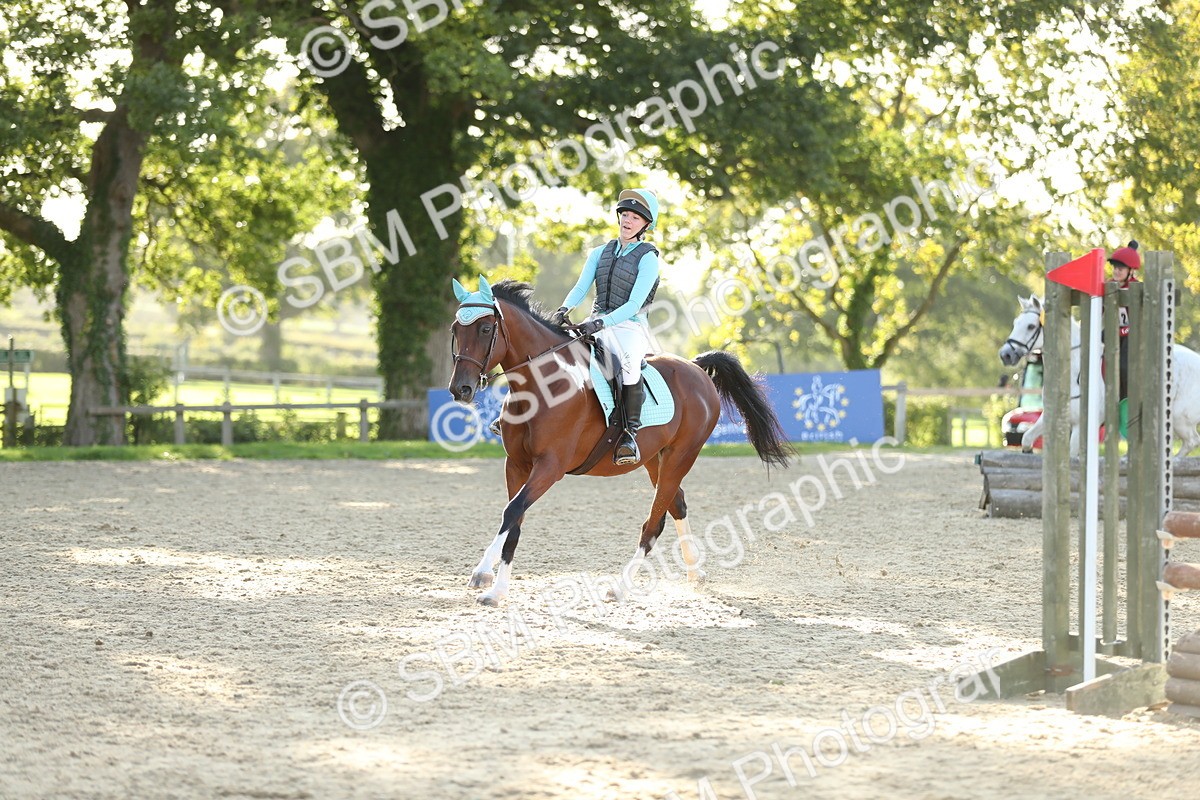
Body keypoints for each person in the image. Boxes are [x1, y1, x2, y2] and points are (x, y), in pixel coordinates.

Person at [551, 188, 662, 465]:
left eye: (635, 217)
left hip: (630, 326)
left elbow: (635, 303)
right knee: (555, 351)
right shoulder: (600, 253)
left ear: (645, 225)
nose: (627, 220)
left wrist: (603, 322)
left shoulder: (649, 258)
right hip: (596, 321)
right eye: (625, 214)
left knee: (627, 364)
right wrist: (564, 309)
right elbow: (580, 287)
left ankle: (629, 433)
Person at [1109, 240, 1140, 435]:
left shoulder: (1135, 287)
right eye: (1114, 267)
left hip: (1135, 335)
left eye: (1121, 268)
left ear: (1131, 271)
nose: (1116, 271)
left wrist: (1119, 332)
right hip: (1115, 334)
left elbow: (1134, 322)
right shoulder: (1109, 286)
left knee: (1124, 365)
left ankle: (1127, 399)